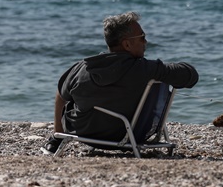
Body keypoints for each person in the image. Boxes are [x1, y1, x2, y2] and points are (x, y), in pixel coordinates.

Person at [42, 12, 199, 154]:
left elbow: (60, 95)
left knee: (66, 97)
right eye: (142, 37)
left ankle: (56, 139)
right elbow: (191, 76)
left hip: (85, 132)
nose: (146, 41)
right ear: (127, 44)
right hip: (131, 134)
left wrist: (59, 132)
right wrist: (165, 69)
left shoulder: (83, 67)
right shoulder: (146, 70)